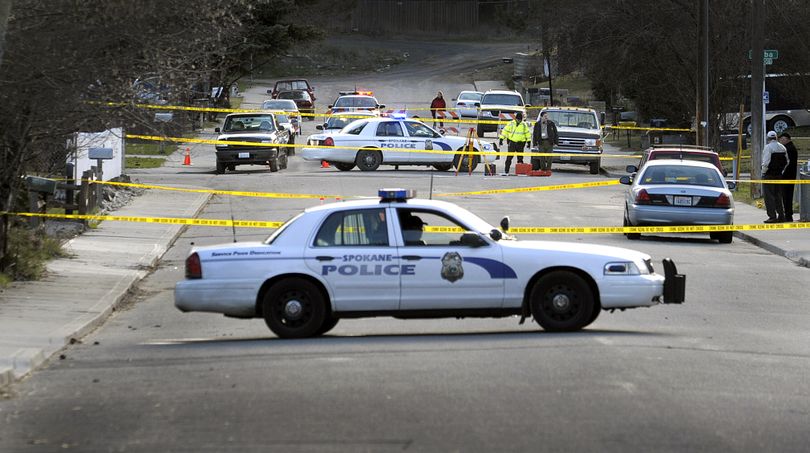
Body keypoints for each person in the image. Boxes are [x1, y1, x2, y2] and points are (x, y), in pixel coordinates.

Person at [762, 130, 789, 223]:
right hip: (779, 175)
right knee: (778, 195)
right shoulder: (783, 147)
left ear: (768, 138)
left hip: (769, 175)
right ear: (776, 138)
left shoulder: (768, 147)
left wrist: (763, 172)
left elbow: (766, 163)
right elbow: (787, 161)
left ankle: (772, 216)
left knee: (769, 196)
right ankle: (781, 215)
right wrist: (781, 170)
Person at [779, 132, 798, 222]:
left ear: (788, 139)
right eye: (780, 139)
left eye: (783, 139)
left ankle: (788, 215)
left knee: (787, 196)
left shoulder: (789, 149)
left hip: (787, 176)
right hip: (790, 175)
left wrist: (781, 172)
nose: (781, 141)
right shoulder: (789, 148)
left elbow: (787, 163)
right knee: (786, 196)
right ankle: (788, 214)